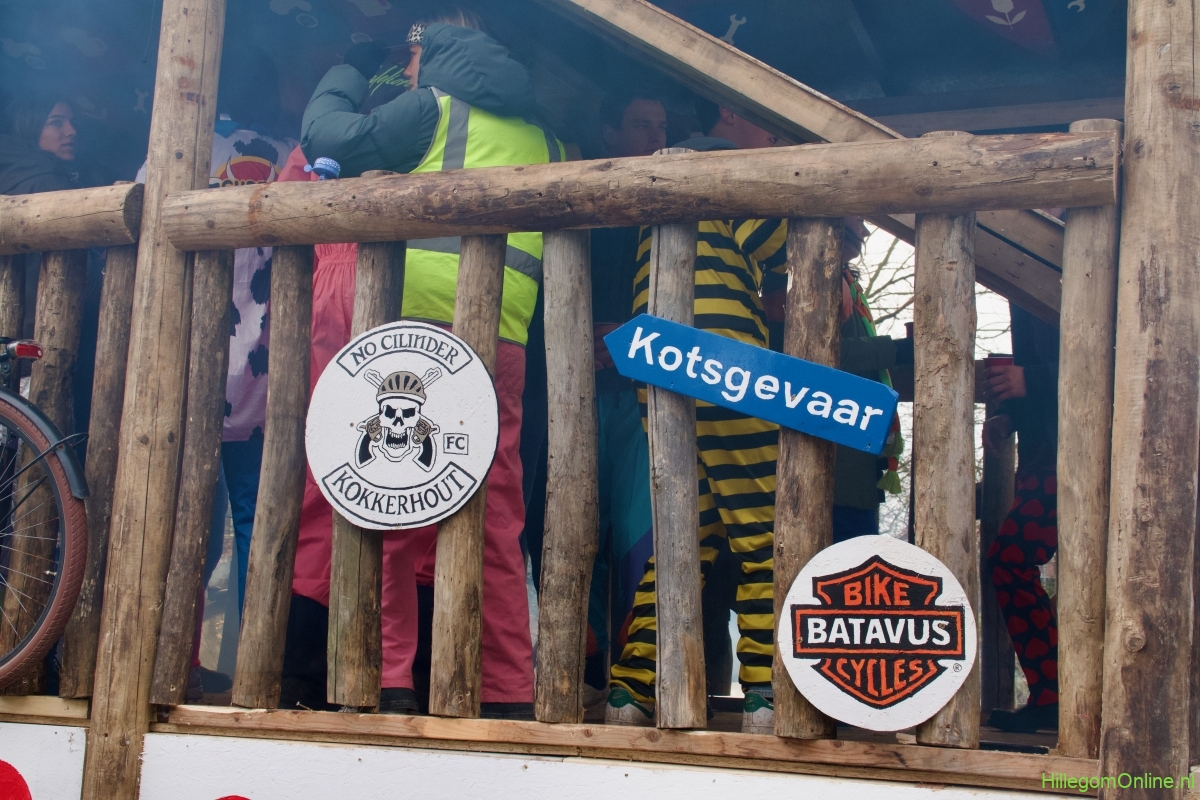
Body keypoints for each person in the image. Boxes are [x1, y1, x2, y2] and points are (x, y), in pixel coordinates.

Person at [298, 9, 564, 719]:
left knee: (391, 502)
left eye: (410, 62)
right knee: (496, 512)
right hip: (501, 339)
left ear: (426, 56)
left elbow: (326, 136)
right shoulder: (542, 133)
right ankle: (506, 689)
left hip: (412, 332)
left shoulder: (432, 110)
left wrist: (348, 69)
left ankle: (390, 679)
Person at [605, 103, 786, 733]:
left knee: (686, 535)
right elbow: (780, 242)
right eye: (771, 128)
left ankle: (630, 691)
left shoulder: (665, 182)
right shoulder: (728, 172)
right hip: (727, 368)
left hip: (661, 373)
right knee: (765, 533)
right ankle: (767, 692)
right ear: (732, 117)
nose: (775, 141)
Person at [135, 46, 297, 701]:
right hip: (266, 370)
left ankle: (177, 660)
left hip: (191, 365)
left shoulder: (175, 154)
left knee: (189, 521)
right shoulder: (289, 154)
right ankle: (261, 665)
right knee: (260, 519)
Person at [582, 89, 668, 703]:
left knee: (641, 534)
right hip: (579, 392)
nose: (655, 139)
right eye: (642, 125)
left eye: (661, 127)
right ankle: (586, 669)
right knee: (578, 528)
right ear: (610, 133)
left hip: (645, 400)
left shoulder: (673, 214)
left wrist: (635, 338)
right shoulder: (581, 206)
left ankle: (638, 677)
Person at [982, 306, 1060, 734]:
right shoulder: (1024, 299)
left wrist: (1032, 379)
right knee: (1009, 559)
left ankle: (1054, 695)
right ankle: (1051, 695)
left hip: (1084, 453)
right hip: (1045, 455)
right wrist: (1011, 415)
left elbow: (1136, 355)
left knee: (1010, 557)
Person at [0, 94, 78, 196]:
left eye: (73, 123)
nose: (72, 131)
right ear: (30, 128)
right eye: (56, 123)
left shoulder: (12, 177)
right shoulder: (45, 184)